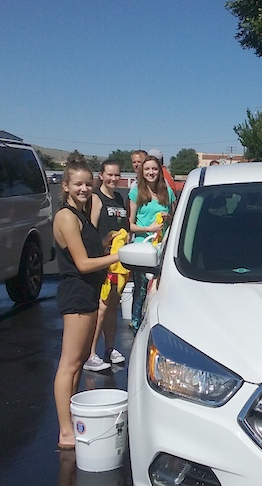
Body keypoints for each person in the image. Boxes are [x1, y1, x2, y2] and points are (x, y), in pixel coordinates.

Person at [52, 160, 120, 450]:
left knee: (79, 361)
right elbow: (82, 264)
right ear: (66, 186)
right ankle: (65, 431)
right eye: (77, 183)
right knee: (69, 363)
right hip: (77, 293)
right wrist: (120, 256)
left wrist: (106, 242)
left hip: (87, 292)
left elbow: (89, 251)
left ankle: (73, 418)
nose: (84, 188)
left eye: (87, 183)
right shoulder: (67, 217)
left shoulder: (81, 215)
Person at [83, 159, 129, 372]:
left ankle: (109, 348)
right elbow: (91, 231)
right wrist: (104, 242)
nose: (113, 178)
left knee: (112, 306)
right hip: (104, 260)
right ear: (101, 175)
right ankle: (90, 354)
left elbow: (127, 227)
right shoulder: (96, 198)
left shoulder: (119, 198)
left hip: (118, 263)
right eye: (109, 174)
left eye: (117, 174)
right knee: (101, 308)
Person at [128, 154, 176, 334]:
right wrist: (149, 227)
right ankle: (136, 324)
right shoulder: (136, 192)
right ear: (142, 171)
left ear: (160, 170)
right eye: (147, 169)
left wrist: (168, 218)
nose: (151, 172)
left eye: (154, 169)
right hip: (143, 247)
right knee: (141, 289)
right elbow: (130, 225)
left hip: (162, 247)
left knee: (161, 289)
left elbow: (175, 219)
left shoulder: (167, 192)